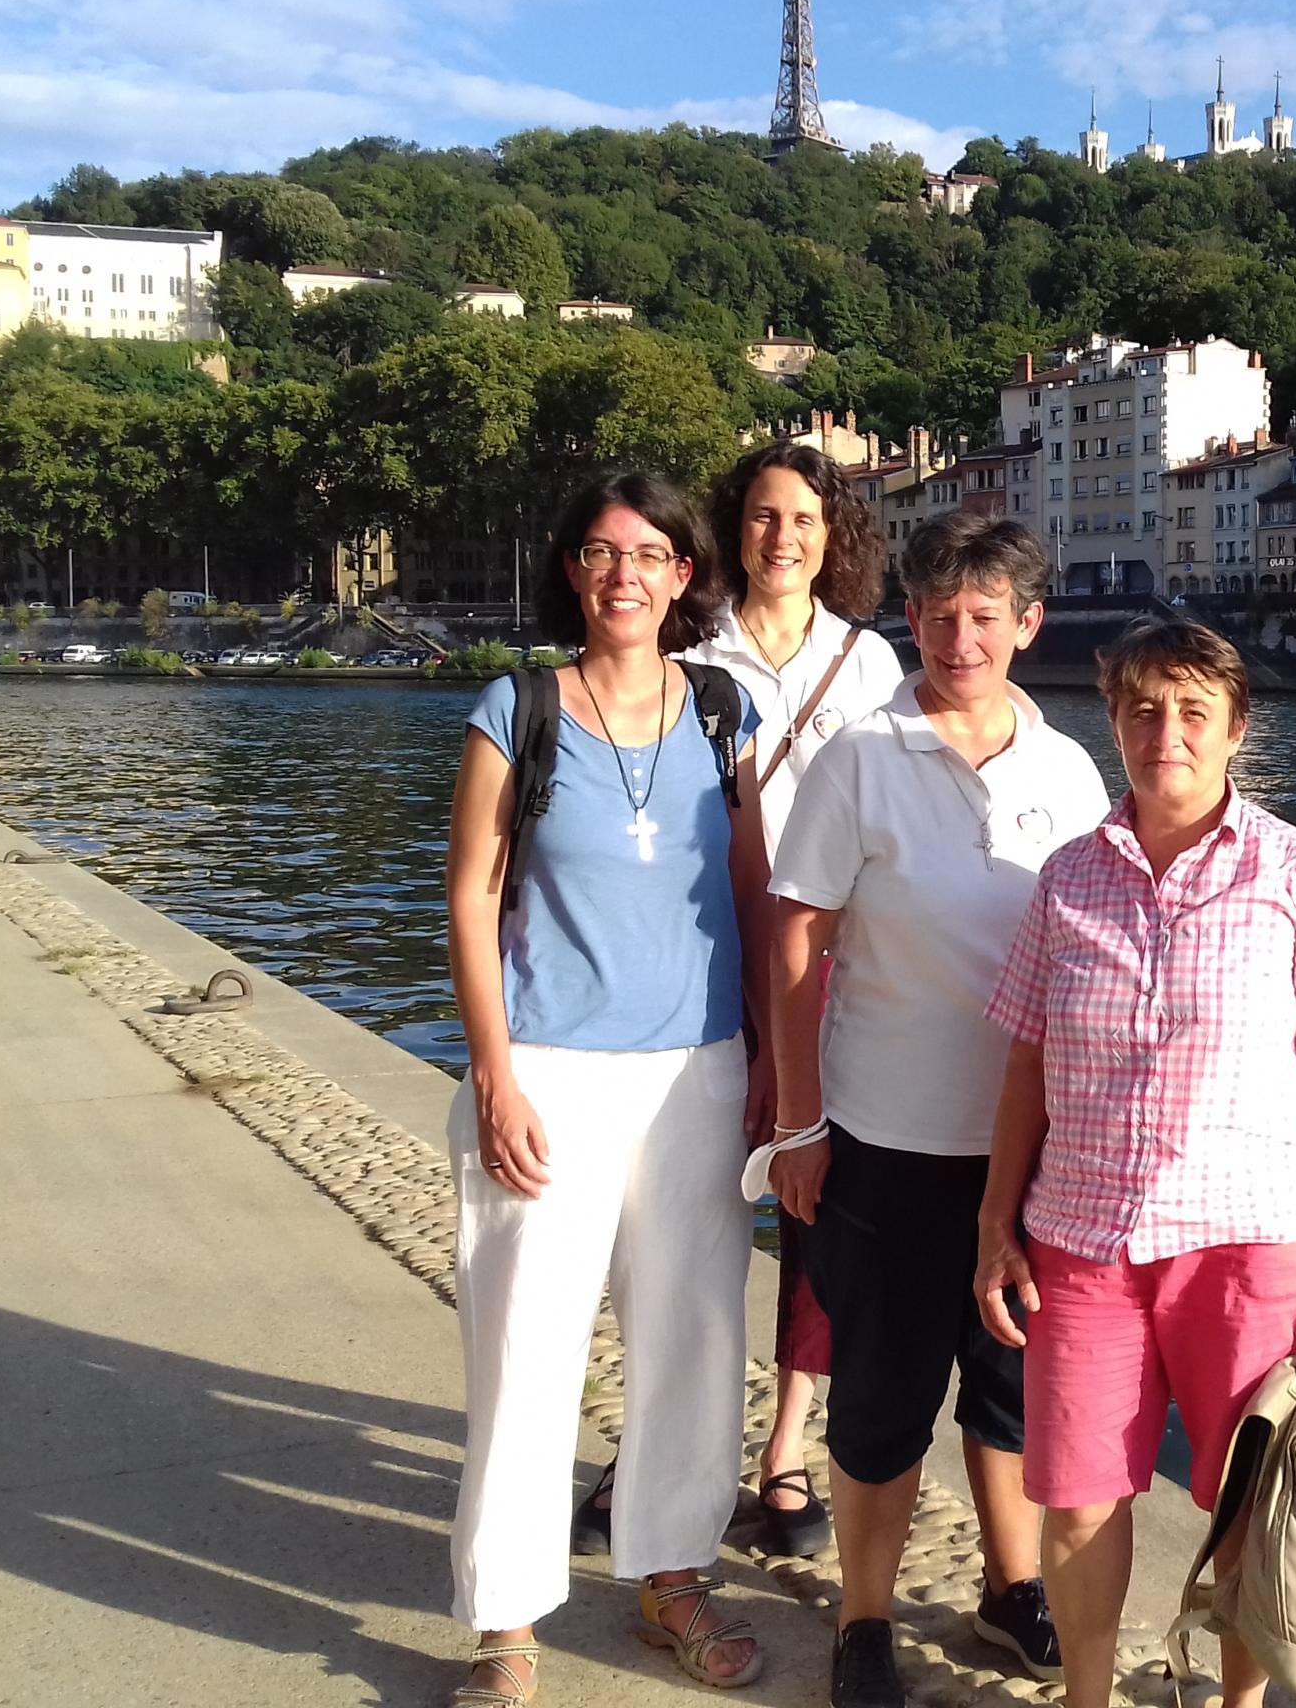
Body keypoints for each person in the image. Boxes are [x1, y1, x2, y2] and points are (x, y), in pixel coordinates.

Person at [973, 615, 1296, 1708]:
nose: (1166, 731)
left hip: (1248, 1242)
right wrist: (994, 1223)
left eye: (1192, 711)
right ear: (1113, 720)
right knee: (1075, 1496)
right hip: (1083, 1238)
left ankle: (1239, 1702)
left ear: (1234, 730)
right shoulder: (1068, 880)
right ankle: (1085, 1694)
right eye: (1142, 708)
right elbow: (1024, 1062)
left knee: (1252, 1501)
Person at [766, 513, 1112, 1708]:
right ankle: (864, 1620)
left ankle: (1010, 1590)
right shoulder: (860, 758)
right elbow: (799, 938)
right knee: (881, 1390)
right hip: (887, 1136)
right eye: (934, 614)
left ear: (1026, 624)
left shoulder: (1068, 770)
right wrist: (801, 1122)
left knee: (1011, 1384)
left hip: (1038, 1149)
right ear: (905, 620)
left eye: (983, 615)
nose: (957, 638)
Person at [442, 473, 768, 1703]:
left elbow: (749, 890)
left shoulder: (722, 713)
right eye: (598, 553)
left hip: (697, 1069)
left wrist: (772, 1065)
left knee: (693, 1333)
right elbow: (473, 893)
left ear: (685, 576)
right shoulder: (515, 708)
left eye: (649, 554)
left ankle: (673, 1573)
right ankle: (508, 1621)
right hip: (550, 1070)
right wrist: (493, 1072)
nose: (622, 574)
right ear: (573, 574)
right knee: (526, 1342)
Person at [570, 442, 902, 1563]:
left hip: (830, 969)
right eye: (763, 517)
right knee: (680, 1206)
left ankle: (786, 1453)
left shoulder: (867, 665)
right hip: (700, 957)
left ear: (832, 535)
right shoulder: (684, 650)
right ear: (734, 528)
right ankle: (653, 1442)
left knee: (814, 1214)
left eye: (804, 519)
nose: (782, 538)